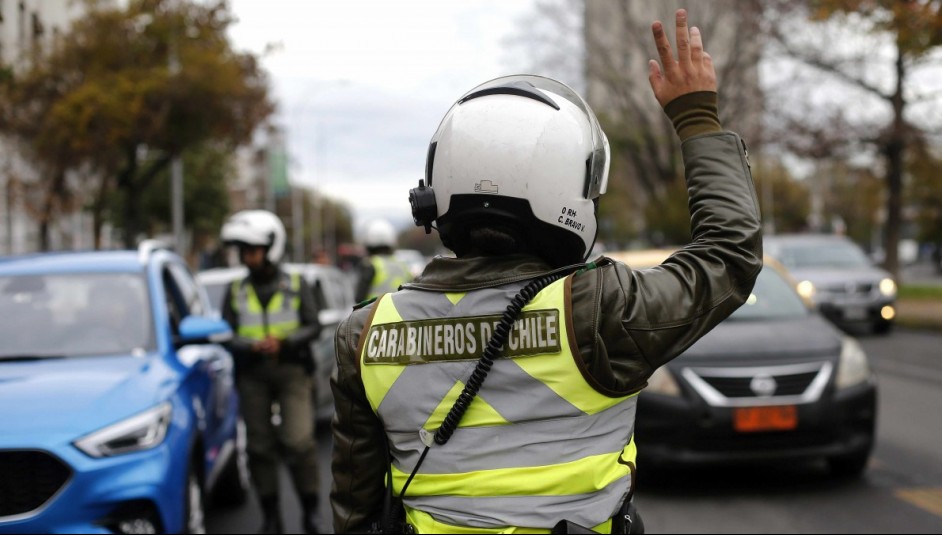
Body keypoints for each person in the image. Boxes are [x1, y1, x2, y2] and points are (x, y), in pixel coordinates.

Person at [331, 8, 762, 535]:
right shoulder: (602, 311)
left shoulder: (364, 336)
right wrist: (695, 117)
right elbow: (730, 253)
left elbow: (356, 511)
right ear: (568, 190)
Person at [219, 209, 323, 534]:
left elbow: (314, 325)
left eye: (252, 249)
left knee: (298, 441)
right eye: (242, 251)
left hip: (292, 370)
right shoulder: (235, 288)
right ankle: (270, 517)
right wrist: (249, 346)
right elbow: (225, 332)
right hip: (252, 374)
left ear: (271, 247)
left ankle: (310, 513)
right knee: (259, 447)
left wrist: (285, 342)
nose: (246, 257)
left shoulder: (295, 282)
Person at [353, 218, 416, 302]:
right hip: (401, 314)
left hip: (375, 314)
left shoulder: (369, 265)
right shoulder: (402, 266)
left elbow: (359, 298)